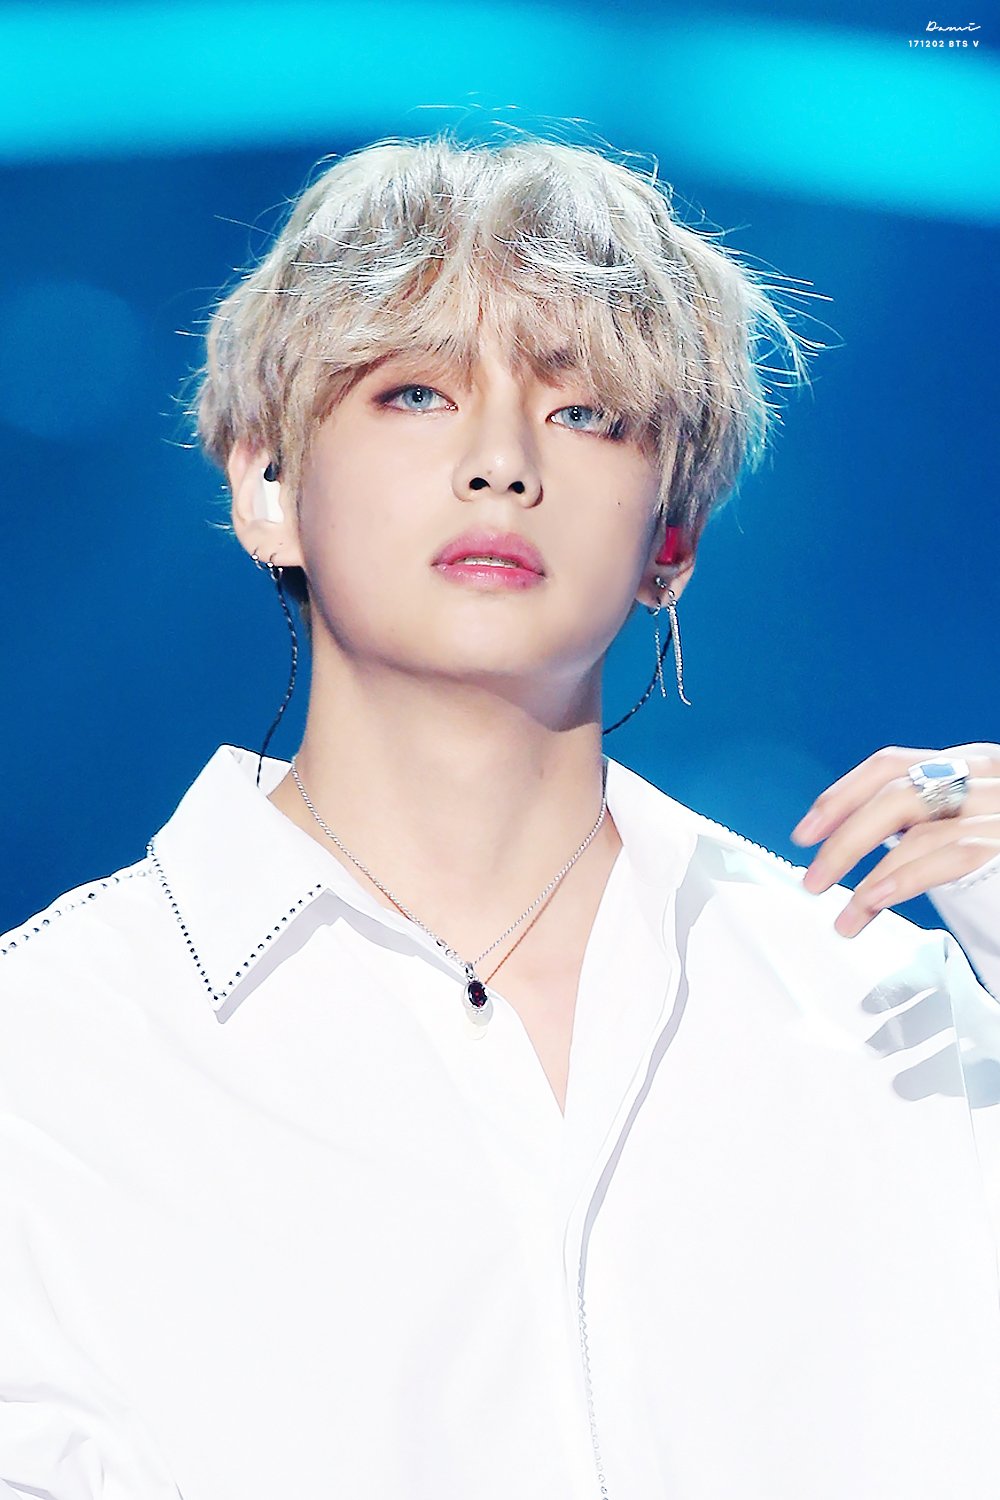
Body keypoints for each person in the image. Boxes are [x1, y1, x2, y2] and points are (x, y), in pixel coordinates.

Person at [1, 134, 998, 1500]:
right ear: (266, 485)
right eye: (415, 392)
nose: (501, 463)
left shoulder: (904, 1024)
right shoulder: (56, 1062)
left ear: (672, 540)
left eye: (586, 413)